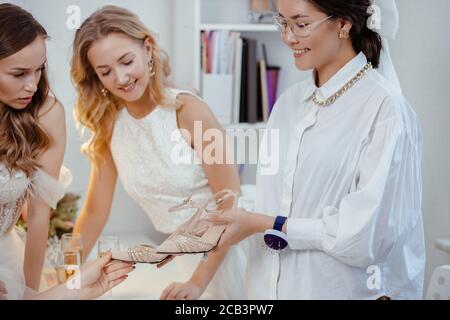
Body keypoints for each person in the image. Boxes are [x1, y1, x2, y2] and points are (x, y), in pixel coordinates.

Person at [207, 0, 425, 300]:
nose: (288, 37)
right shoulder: (288, 103)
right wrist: (213, 226)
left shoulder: (385, 110)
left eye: (301, 24)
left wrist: (270, 225)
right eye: (282, 22)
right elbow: (276, 197)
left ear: (343, 24)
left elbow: (366, 235)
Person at [71, 5, 246, 300]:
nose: (121, 77)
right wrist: (68, 279)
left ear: (148, 49)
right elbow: (94, 212)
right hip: (182, 260)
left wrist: (198, 282)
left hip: (230, 255)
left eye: (126, 61)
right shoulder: (109, 126)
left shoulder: (190, 111)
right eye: (106, 72)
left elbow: (229, 204)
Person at [0, 3, 133, 300]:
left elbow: (38, 215)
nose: (32, 85)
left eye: (39, 70)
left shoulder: (46, 114)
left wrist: (29, 292)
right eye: (19, 73)